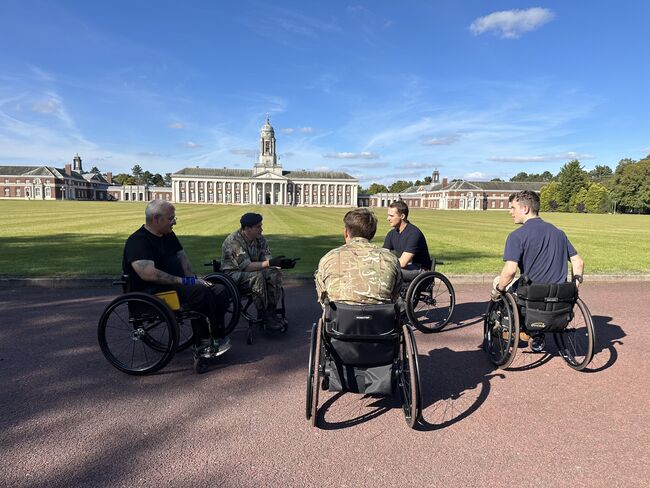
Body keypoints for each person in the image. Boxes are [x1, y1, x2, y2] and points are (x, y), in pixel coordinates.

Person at [123, 199, 230, 373]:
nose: (175, 221)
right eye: (171, 218)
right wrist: (187, 282)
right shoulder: (138, 241)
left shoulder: (168, 235)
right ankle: (202, 341)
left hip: (176, 287)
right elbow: (148, 274)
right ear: (157, 218)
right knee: (199, 292)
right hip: (152, 292)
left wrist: (193, 278)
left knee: (218, 289)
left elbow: (182, 257)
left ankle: (217, 334)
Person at [491, 190, 585, 352]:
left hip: (532, 294)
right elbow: (578, 261)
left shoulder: (517, 236)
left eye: (513, 208)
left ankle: (508, 327)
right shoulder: (559, 233)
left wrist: (498, 290)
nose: (510, 212)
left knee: (498, 282)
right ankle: (538, 335)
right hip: (560, 293)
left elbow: (510, 271)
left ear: (525, 209)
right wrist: (575, 286)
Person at [221, 213, 296, 330]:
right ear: (247, 228)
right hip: (233, 275)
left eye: (261, 226)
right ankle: (263, 314)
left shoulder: (259, 239)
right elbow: (246, 267)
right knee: (257, 276)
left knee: (273, 273)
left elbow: (267, 260)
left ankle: (271, 311)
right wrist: (271, 263)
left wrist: (281, 264)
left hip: (254, 270)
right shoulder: (233, 242)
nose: (261, 229)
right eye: (258, 227)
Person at [315, 208, 402, 305]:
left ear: (346, 232)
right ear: (372, 234)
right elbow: (395, 295)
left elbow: (322, 297)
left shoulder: (329, 258)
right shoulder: (390, 258)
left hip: (340, 318)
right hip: (380, 318)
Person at [383, 200, 432, 282]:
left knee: (390, 272)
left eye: (391, 216)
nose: (388, 218)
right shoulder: (391, 234)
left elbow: (403, 262)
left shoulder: (414, 233)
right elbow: (384, 254)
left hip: (421, 271)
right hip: (406, 268)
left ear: (402, 216)